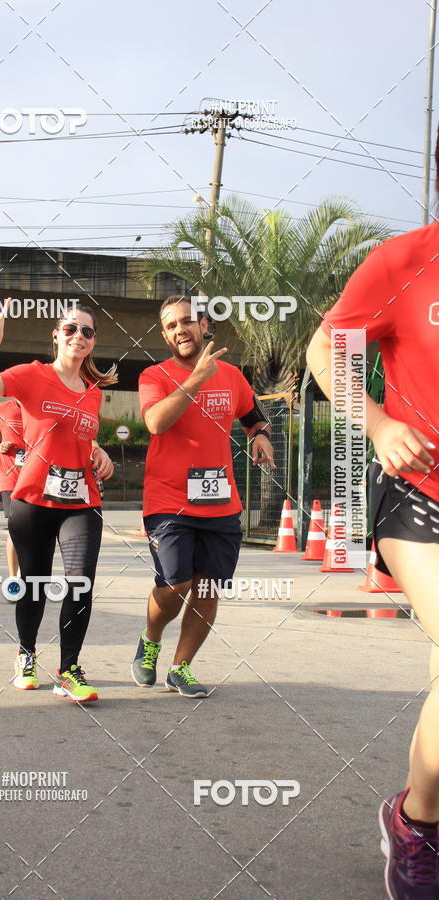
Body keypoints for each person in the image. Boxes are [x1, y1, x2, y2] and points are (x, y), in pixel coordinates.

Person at [306, 139, 439, 896]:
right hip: (418, 493)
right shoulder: (403, 262)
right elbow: (330, 351)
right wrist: (380, 423)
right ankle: (416, 823)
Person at [0, 297, 116, 702]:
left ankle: (69, 670)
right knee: (34, 585)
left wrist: (98, 449)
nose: (78, 336)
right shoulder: (33, 375)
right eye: (70, 329)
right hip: (32, 499)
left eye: (86, 331)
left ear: (93, 341)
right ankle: (26, 653)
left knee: (80, 584)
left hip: (81, 499)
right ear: (56, 336)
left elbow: (78, 433)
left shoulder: (94, 392)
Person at [132, 295, 275, 697]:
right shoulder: (154, 376)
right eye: (171, 325)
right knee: (175, 583)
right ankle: (151, 638)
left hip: (220, 502)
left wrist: (260, 436)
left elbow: (253, 416)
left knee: (208, 587)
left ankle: (181, 668)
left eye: (187, 322)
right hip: (169, 501)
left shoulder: (231, 375)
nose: (180, 330)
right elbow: (156, 422)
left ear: (205, 326)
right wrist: (195, 379)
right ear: (165, 335)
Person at [0, 398, 26, 580]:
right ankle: (13, 578)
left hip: (36, 478)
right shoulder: (1, 409)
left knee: (34, 530)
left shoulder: (40, 407)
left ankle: (29, 576)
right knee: (15, 529)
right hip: (10, 478)